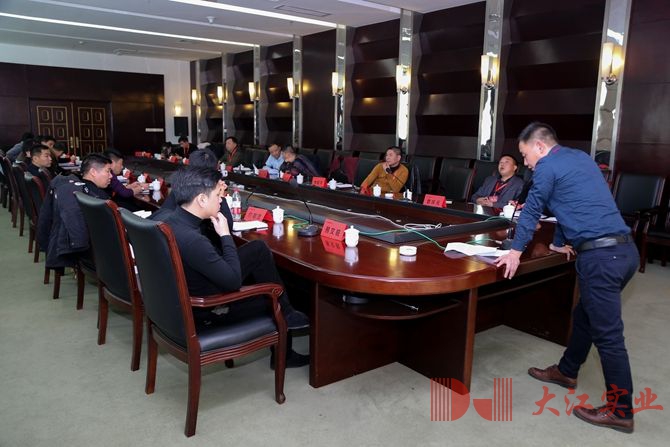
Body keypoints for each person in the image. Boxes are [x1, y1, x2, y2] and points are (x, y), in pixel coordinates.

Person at [495, 122, 638, 433]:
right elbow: (570, 205)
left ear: (540, 147)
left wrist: (515, 251)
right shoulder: (579, 158)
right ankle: (567, 371)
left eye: (525, 155)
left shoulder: (546, 167)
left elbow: (533, 209)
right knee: (585, 316)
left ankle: (621, 411)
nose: (526, 163)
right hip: (624, 253)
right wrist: (559, 242)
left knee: (609, 337)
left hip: (602, 258)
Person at [162, 167, 310, 367]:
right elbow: (232, 281)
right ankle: (286, 334)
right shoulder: (193, 240)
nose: (221, 199)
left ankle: (287, 314)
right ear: (202, 199)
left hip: (184, 297)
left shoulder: (170, 221)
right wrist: (225, 235)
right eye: (218, 195)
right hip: (207, 307)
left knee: (257, 249)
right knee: (276, 295)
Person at [37, 153, 113, 270]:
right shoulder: (96, 199)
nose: (111, 176)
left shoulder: (75, 189)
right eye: (108, 171)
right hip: (95, 253)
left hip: (81, 249)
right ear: (93, 172)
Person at [151, 148, 233, 229]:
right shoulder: (205, 193)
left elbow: (164, 210)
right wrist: (220, 194)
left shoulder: (182, 185)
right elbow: (228, 226)